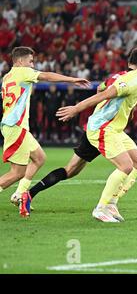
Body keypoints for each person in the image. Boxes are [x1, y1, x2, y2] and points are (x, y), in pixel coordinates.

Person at [21, 49, 137, 219]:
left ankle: (112, 204)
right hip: (103, 129)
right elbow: (105, 94)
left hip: (112, 129)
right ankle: (103, 207)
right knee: (127, 166)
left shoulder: (132, 81)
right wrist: (76, 109)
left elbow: (109, 91)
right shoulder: (130, 81)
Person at [0, 46, 90, 217]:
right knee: (17, 172)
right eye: (30, 61)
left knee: (39, 158)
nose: (32, 65)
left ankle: (19, 194)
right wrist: (72, 80)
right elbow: (47, 76)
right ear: (20, 61)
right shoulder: (23, 72)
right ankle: (19, 193)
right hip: (15, 127)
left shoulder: (7, 76)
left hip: (15, 127)